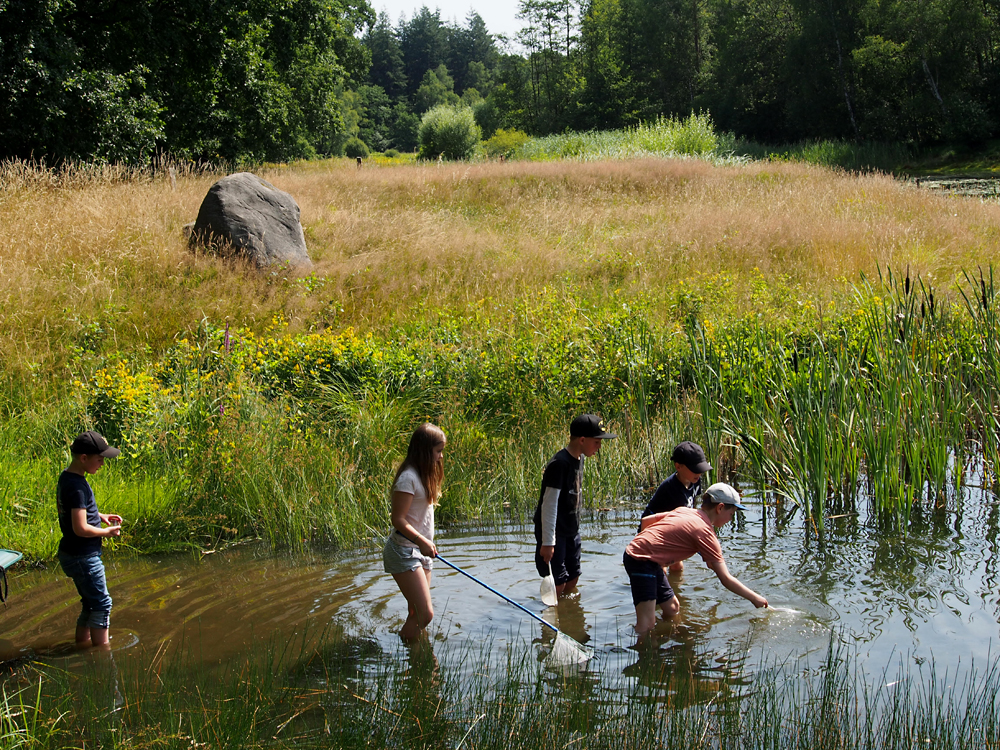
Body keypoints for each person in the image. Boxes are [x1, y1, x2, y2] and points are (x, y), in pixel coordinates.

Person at [623, 482, 767, 639]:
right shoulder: (705, 533)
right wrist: (755, 598)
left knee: (672, 608)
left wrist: (655, 549)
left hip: (643, 556)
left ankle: (667, 642)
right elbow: (725, 578)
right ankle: (643, 655)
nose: (730, 519)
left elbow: (646, 521)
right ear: (719, 508)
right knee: (647, 624)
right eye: (731, 514)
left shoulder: (686, 511)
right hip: (642, 560)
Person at [534, 414, 616, 597]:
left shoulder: (580, 458)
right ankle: (551, 618)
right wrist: (548, 542)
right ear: (582, 440)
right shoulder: (559, 464)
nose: (599, 447)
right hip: (555, 533)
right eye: (596, 442)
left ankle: (570, 616)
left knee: (573, 577)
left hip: (571, 530)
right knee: (558, 583)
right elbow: (548, 505)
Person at [57, 430, 123, 648]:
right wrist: (107, 532)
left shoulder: (68, 478)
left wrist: (101, 517)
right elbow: (80, 528)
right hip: (83, 556)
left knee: (90, 604)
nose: (102, 463)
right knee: (102, 604)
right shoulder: (77, 487)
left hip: (72, 554)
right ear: (84, 458)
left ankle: (82, 645)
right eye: (100, 459)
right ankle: (101, 653)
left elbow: (78, 513)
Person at [382, 423, 447, 642]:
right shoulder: (408, 478)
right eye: (437, 451)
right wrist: (422, 541)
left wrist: (424, 545)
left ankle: (418, 657)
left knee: (416, 613)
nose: (440, 457)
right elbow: (397, 519)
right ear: (424, 450)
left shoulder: (423, 474)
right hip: (403, 551)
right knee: (425, 614)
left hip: (420, 552)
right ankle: (406, 649)